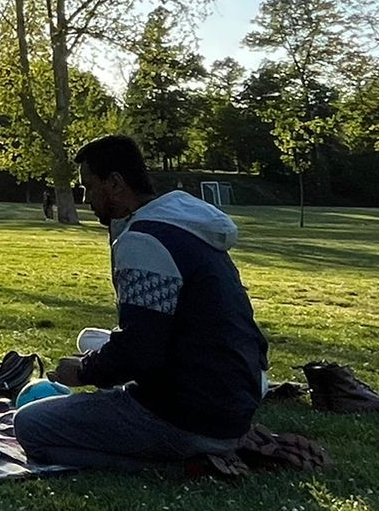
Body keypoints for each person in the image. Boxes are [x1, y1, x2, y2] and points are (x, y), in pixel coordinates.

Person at [15, 133, 268, 472]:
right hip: (231, 404)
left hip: (189, 417)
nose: (87, 200)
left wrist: (84, 371)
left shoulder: (145, 239)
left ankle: (183, 467)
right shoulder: (185, 226)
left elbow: (141, 352)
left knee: (31, 425)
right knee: (97, 343)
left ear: (115, 183)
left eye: (89, 187)